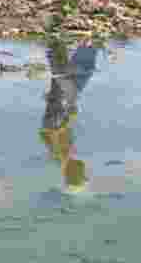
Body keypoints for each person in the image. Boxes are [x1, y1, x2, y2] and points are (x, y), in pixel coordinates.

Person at [38, 39, 98, 192]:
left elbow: (51, 132)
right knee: (71, 76)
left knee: (73, 75)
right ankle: (58, 42)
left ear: (74, 173)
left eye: (82, 174)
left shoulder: (62, 156)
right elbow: (49, 133)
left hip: (56, 120)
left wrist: (65, 113)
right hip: (56, 117)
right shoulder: (63, 157)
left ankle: (60, 42)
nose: (85, 170)